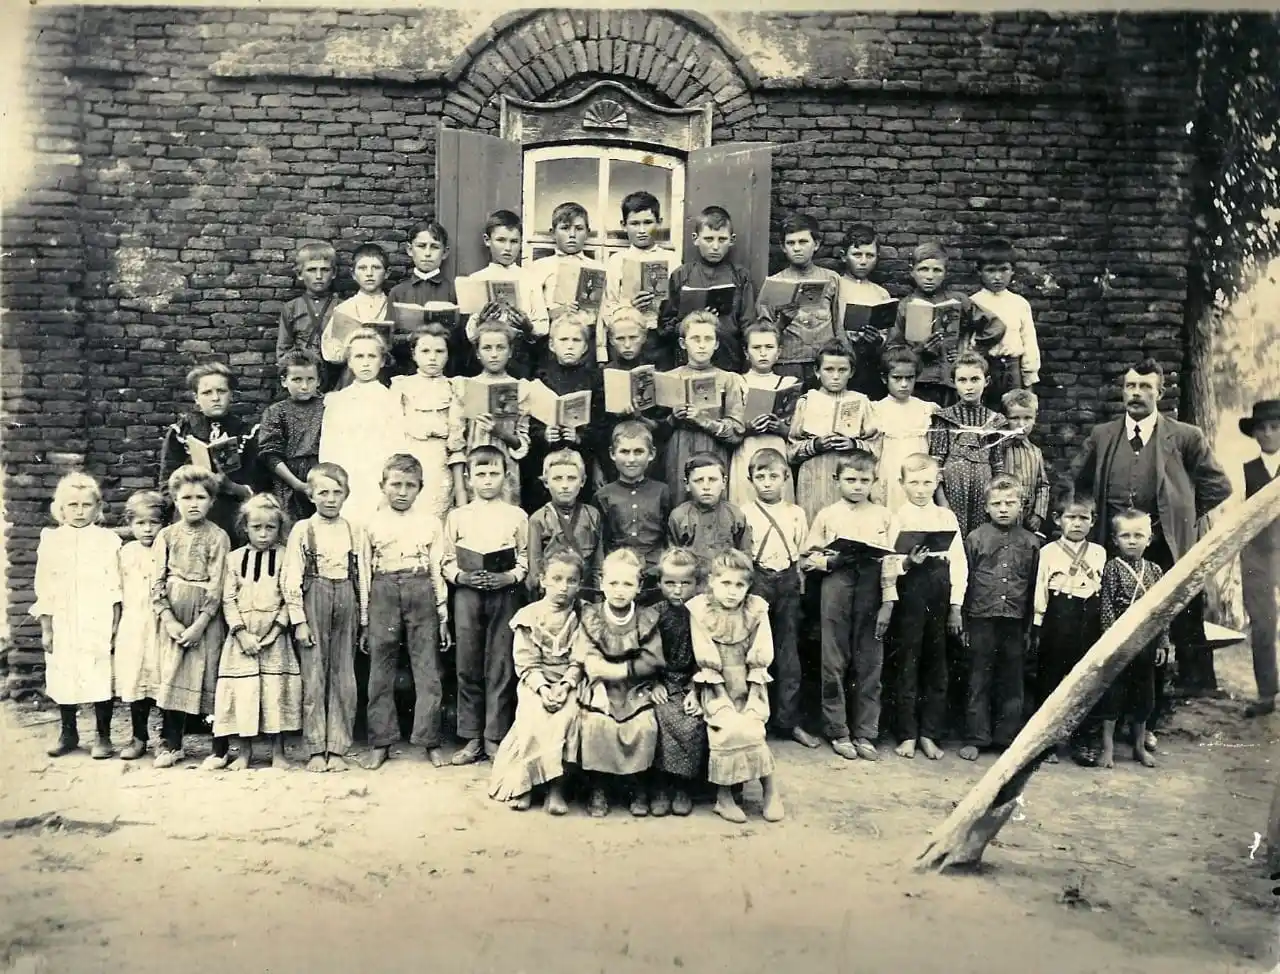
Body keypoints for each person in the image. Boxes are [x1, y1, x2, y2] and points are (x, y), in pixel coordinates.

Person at [1070, 358, 1232, 712]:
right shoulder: (1103, 435)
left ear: (1160, 392)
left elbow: (1218, 485)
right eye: (1131, 386)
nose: (1137, 393)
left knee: (1163, 621)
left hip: (1162, 547)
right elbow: (1077, 480)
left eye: (1145, 387)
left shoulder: (1186, 436)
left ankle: (1160, 703)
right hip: (1112, 544)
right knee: (1112, 618)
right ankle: (1110, 701)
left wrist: (1180, 516)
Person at [359, 454, 451, 771]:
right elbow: (364, 573)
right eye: (395, 484)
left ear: (420, 488)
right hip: (383, 589)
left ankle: (430, 740)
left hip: (420, 587)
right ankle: (381, 742)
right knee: (380, 669)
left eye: (410, 485)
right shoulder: (370, 524)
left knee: (427, 668)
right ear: (382, 486)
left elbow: (437, 569)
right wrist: (365, 620)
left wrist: (442, 614)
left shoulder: (430, 523)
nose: (402, 492)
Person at [801, 450, 894, 761]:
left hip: (872, 586)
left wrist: (888, 600)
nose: (857, 486)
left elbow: (892, 560)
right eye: (850, 479)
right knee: (833, 659)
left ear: (874, 482)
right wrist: (830, 561)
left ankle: (866, 731)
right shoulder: (828, 515)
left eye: (864, 480)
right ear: (836, 480)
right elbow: (808, 557)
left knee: (870, 661)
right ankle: (838, 729)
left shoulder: (883, 516)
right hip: (836, 584)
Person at [441, 445, 530, 766]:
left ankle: (494, 736)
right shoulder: (458, 516)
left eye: (494, 473)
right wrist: (461, 576)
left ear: (506, 476)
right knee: (468, 663)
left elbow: (525, 557)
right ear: (468, 478)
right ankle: (471, 737)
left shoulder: (516, 515)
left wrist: (510, 576)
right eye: (481, 474)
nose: (488, 480)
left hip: (504, 592)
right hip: (468, 593)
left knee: (500, 663)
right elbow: (446, 559)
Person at [281, 463, 370, 773]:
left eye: (336, 492)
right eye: (323, 493)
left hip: (346, 598)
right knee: (314, 676)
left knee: (344, 678)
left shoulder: (354, 530)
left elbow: (363, 576)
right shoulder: (303, 529)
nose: (330, 499)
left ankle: (338, 748)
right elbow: (291, 577)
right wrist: (299, 621)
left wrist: (364, 621)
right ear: (311, 495)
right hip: (314, 599)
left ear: (346, 494)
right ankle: (316, 748)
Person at [879, 454, 967, 760]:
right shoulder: (897, 518)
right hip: (910, 593)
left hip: (939, 591)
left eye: (927, 482)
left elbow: (959, 563)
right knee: (907, 661)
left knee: (937, 664)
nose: (920, 489)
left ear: (937, 482)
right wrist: (906, 562)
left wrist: (956, 606)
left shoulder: (946, 518)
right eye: (914, 483)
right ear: (902, 484)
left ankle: (930, 733)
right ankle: (907, 734)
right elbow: (888, 563)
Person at [688, 549, 785, 823]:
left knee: (753, 726)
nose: (732, 591)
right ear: (712, 582)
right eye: (726, 583)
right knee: (727, 729)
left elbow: (761, 654)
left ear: (748, 587)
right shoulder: (701, 610)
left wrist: (753, 698)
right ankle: (724, 797)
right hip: (715, 686)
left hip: (749, 684)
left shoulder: (755, 610)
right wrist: (723, 701)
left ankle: (770, 791)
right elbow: (705, 656)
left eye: (739, 585)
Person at [31, 472, 122, 759]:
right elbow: (44, 586)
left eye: (86, 505)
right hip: (64, 619)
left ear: (97, 507)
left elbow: (116, 586)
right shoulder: (51, 540)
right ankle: (68, 732)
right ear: (61, 507)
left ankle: (103, 736)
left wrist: (115, 624)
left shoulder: (108, 540)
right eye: (73, 505)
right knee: (64, 673)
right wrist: (47, 628)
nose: (80, 511)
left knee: (99, 673)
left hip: (97, 617)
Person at [208, 494, 302, 771]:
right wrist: (241, 634)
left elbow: (289, 597)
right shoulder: (234, 559)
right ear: (244, 528)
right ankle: (245, 752)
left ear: (279, 528)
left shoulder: (285, 557)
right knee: (244, 694)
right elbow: (228, 599)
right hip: (242, 638)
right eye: (256, 527)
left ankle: (278, 753)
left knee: (275, 693)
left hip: (275, 637)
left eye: (270, 528)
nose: (263, 534)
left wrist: (275, 631)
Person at [488, 549, 585, 815]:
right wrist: (543, 689)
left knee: (567, 718)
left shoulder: (582, 616)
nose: (563, 587)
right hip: (536, 682)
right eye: (556, 579)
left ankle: (556, 788)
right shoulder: (528, 616)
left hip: (569, 682)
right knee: (533, 717)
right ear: (543, 580)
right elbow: (526, 662)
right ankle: (525, 784)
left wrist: (565, 686)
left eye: (571, 581)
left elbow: (580, 659)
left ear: (579, 584)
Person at [572, 548, 665, 818]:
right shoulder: (592, 616)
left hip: (635, 685)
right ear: (602, 583)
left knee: (644, 725)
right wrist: (599, 679)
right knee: (596, 723)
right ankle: (599, 786)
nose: (620, 590)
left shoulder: (646, 618)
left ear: (639, 587)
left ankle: (638, 785)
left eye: (627, 584)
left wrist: (619, 670)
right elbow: (587, 655)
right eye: (613, 583)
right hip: (600, 685)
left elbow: (651, 659)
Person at [151, 466, 231, 769]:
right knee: (173, 674)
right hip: (174, 613)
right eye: (186, 497)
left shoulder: (218, 537)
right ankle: (172, 744)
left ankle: (219, 748)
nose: (193, 503)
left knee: (210, 675)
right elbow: (156, 581)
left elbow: (218, 584)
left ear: (212, 501)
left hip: (205, 619)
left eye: (201, 497)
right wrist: (168, 619)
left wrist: (200, 624)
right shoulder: (166, 536)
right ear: (175, 500)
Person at [958, 474, 1041, 762]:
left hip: (1015, 620)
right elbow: (965, 580)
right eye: (996, 504)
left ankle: (1007, 738)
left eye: (1010, 503)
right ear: (986, 507)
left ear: (1022, 506)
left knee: (1012, 679)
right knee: (979, 677)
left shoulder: (1031, 542)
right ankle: (976, 737)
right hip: (981, 618)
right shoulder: (975, 538)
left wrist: (1029, 628)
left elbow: (1034, 587)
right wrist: (965, 622)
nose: (1003, 509)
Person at [740, 448, 816, 748]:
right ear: (751, 480)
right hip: (757, 580)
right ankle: (754, 720)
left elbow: (803, 552)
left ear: (786, 477)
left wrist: (799, 585)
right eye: (760, 477)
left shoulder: (796, 513)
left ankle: (788, 721)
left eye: (774, 476)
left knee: (789, 653)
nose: (767, 482)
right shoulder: (744, 512)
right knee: (755, 651)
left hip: (787, 581)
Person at [1028, 488, 1105, 760]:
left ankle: (1084, 740)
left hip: (1089, 617)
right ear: (1057, 519)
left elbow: (1101, 588)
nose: (1077, 523)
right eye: (1071, 517)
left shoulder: (1098, 552)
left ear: (1093, 521)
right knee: (1050, 678)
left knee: (1086, 680)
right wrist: (1038, 624)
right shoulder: (1049, 552)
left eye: (1084, 518)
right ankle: (1044, 742)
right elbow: (1040, 589)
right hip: (1058, 616)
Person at [1095, 509, 1172, 770]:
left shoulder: (1155, 570)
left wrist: (1162, 641)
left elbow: (1162, 610)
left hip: (1146, 642)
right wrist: (1110, 642)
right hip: (1119, 643)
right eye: (1125, 536)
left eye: (1138, 536)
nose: (1131, 541)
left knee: (1144, 696)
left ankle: (1139, 747)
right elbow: (1106, 607)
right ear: (1115, 540)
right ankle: (1107, 748)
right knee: (1113, 695)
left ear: (1149, 539)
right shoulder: (1113, 568)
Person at [884, 241, 1003, 407]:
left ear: (945, 273)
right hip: (920, 382)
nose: (930, 276)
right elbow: (892, 348)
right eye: (923, 269)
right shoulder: (904, 306)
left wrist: (969, 353)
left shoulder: (959, 300)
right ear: (913, 272)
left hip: (952, 380)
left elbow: (995, 326)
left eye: (937, 270)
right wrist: (919, 351)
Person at [158, 361, 257, 543]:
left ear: (231, 395)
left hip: (231, 515)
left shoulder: (247, 432)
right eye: (207, 393)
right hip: (189, 514)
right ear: (196, 398)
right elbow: (166, 482)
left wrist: (230, 486)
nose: (215, 398)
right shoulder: (181, 431)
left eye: (221, 391)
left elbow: (258, 486)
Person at [318, 328, 404, 527]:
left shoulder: (390, 399)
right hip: (348, 476)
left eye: (372, 356)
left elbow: (398, 444)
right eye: (359, 356)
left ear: (382, 361)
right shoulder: (337, 401)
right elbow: (328, 447)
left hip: (378, 476)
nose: (365, 363)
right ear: (349, 361)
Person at [661, 310, 748, 508]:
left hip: (713, 448)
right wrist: (673, 418)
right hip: (679, 450)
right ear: (683, 343)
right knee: (679, 503)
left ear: (716, 344)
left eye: (708, 339)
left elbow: (737, 431)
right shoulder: (669, 378)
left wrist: (705, 421)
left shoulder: (728, 379)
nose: (702, 345)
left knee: (714, 503)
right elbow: (658, 431)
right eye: (695, 339)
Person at [788, 340, 877, 525]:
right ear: (817, 371)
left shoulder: (861, 402)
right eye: (829, 369)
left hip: (851, 476)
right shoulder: (806, 401)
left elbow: (876, 446)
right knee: (816, 524)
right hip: (814, 476)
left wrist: (854, 444)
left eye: (842, 370)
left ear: (851, 372)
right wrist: (815, 445)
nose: (835, 376)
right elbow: (791, 451)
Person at [660, 205, 757, 373]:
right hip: (688, 357)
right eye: (709, 239)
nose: (715, 246)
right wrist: (691, 320)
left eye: (722, 239)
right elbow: (666, 325)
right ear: (696, 239)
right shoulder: (681, 275)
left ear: (732, 240)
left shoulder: (740, 276)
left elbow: (748, 323)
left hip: (729, 356)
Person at [523, 311, 604, 510]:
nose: (570, 345)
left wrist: (579, 437)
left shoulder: (594, 379)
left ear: (585, 347)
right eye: (563, 340)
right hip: (545, 457)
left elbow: (601, 423)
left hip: (581, 458)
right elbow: (530, 423)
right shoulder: (541, 377)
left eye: (576, 340)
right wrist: (544, 434)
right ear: (552, 345)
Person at [650, 547, 708, 817]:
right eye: (670, 583)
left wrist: (696, 689)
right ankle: (661, 786)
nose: (677, 590)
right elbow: (645, 654)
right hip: (661, 681)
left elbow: (707, 657)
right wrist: (654, 683)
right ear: (659, 583)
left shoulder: (702, 614)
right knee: (660, 715)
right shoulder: (654, 614)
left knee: (692, 719)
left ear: (696, 583)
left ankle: (683, 786)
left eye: (685, 583)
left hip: (693, 681)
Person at [451, 315, 532, 506]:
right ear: (477, 353)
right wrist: (461, 491)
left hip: (506, 473)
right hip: (474, 471)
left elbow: (522, 441)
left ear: (510, 351)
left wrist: (501, 433)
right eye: (487, 348)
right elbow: (456, 441)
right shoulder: (464, 387)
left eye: (500, 347)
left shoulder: (521, 389)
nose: (494, 354)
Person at [458, 209, 548, 379]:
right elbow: (469, 333)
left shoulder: (530, 279)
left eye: (514, 241)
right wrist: (480, 322)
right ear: (487, 240)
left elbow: (543, 325)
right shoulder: (476, 279)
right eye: (501, 240)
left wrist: (527, 326)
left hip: (521, 356)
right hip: (485, 356)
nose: (508, 248)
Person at [928, 352, 1009, 539]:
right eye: (962, 380)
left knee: (981, 537)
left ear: (986, 381)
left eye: (975, 379)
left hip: (983, 486)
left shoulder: (995, 420)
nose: (969, 386)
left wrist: (997, 498)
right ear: (953, 383)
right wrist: (942, 500)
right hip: (953, 485)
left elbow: (997, 464)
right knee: (954, 534)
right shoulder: (945, 417)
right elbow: (936, 462)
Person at [389, 325, 466, 522]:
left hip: (441, 463)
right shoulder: (401, 386)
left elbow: (457, 438)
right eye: (425, 351)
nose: (432, 357)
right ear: (414, 354)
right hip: (408, 460)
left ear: (448, 355)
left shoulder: (454, 387)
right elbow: (393, 431)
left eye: (439, 351)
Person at [755, 213, 842, 384]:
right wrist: (782, 323)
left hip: (824, 363)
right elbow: (763, 334)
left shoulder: (832, 279)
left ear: (816, 244)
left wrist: (841, 356)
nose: (796, 248)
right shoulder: (774, 283)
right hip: (787, 363)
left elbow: (839, 325)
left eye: (803, 242)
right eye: (790, 243)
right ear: (783, 247)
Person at [115, 490, 167, 761]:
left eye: (154, 522)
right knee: (136, 679)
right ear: (130, 524)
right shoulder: (125, 553)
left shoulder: (168, 548)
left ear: (163, 523)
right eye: (140, 523)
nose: (147, 529)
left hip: (162, 625)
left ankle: (166, 739)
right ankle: (139, 737)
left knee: (163, 679)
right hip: (134, 624)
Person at [601, 190, 680, 368]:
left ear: (659, 222)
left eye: (648, 222)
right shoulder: (616, 261)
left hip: (660, 337)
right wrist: (629, 307)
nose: (642, 230)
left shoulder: (672, 259)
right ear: (623, 225)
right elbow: (608, 306)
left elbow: (679, 303)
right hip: (627, 337)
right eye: (635, 224)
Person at [596, 422, 672, 602]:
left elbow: (669, 535)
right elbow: (601, 540)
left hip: (655, 573)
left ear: (651, 454)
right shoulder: (604, 495)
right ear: (612, 454)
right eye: (624, 452)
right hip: (619, 573)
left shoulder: (662, 491)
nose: (631, 459)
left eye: (638, 452)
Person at [729, 321, 800, 508]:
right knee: (745, 499)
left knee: (779, 499)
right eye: (756, 347)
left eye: (769, 347)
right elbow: (729, 422)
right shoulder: (737, 381)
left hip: (777, 447)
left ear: (778, 352)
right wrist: (748, 427)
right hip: (747, 448)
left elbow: (796, 428)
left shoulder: (789, 382)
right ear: (746, 352)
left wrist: (782, 428)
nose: (763, 353)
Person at [1239, 399, 1280, 717]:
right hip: (1257, 555)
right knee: (1262, 624)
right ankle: (1267, 694)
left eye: (1275, 428)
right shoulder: (1246, 469)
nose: (1268, 434)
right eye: (1262, 428)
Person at [598, 308, 671, 482]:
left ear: (644, 337)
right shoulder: (603, 375)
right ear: (611, 340)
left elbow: (665, 426)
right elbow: (597, 428)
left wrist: (639, 417)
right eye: (620, 339)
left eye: (633, 337)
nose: (627, 345)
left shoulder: (656, 372)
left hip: (651, 455)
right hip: (613, 457)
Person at [968, 237, 1041, 409]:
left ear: (1012, 271)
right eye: (990, 270)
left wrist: (1029, 379)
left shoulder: (1019, 304)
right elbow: (967, 343)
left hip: (1012, 369)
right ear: (979, 272)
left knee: (1013, 412)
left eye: (1004, 270)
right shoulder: (973, 303)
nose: (997, 277)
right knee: (985, 413)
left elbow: (1029, 342)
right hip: (984, 368)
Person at [528, 202, 606, 354]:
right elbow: (532, 311)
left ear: (588, 232)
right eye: (565, 228)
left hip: (587, 340)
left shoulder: (598, 267)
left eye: (579, 229)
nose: (572, 235)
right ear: (553, 233)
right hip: (550, 339)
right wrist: (558, 311)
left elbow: (603, 312)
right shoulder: (540, 267)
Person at [387, 220, 463, 378]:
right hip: (407, 371)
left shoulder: (455, 291)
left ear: (445, 252)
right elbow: (388, 340)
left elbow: (463, 340)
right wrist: (409, 337)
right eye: (421, 246)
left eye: (434, 247)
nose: (427, 253)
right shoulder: (398, 292)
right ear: (410, 249)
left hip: (446, 372)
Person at [257, 349, 325, 522]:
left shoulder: (327, 406)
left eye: (310, 379)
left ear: (318, 381)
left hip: (323, 476)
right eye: (297, 379)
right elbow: (270, 455)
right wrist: (297, 484)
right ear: (284, 381)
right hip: (289, 480)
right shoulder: (276, 412)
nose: (304, 386)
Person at [869, 346, 937, 514]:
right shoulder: (876, 409)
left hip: (920, 479)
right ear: (884, 378)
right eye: (897, 378)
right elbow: (873, 452)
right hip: (889, 477)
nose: (904, 384)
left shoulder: (927, 409)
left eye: (909, 378)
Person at [527, 450, 604, 598]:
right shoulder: (539, 519)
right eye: (557, 479)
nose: (564, 485)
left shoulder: (592, 515)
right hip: (554, 594)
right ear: (546, 482)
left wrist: (598, 596)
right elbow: (535, 571)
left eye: (571, 478)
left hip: (585, 592)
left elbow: (598, 563)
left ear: (582, 481)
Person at [834, 223, 894, 399]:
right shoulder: (835, 285)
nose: (863, 261)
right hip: (840, 358)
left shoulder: (881, 293)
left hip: (870, 363)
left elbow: (886, 335)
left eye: (870, 256)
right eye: (857, 255)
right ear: (844, 256)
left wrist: (877, 339)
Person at [667, 453, 752, 573]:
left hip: (726, 577)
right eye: (698, 480)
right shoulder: (679, 516)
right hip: (693, 578)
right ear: (687, 484)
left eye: (712, 480)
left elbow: (744, 555)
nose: (706, 486)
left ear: (724, 482)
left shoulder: (735, 515)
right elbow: (674, 556)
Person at [276, 239, 340, 390]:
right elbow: (283, 349)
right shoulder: (291, 308)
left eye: (325, 270)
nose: (319, 276)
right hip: (303, 378)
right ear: (300, 274)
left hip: (335, 377)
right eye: (311, 270)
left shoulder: (342, 306)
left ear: (334, 273)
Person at [328, 243, 393, 388]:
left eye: (376, 268)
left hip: (387, 375)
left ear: (387, 273)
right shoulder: (344, 309)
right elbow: (331, 350)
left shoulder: (393, 307)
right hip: (352, 377)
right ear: (353, 274)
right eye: (362, 268)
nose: (369, 273)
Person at [1000, 389, 1050, 536]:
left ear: (1035, 418)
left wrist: (1038, 514)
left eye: (1028, 418)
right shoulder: (998, 450)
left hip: (1026, 523)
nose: (1021, 424)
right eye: (1015, 418)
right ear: (1005, 418)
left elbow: (1043, 485)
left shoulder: (1035, 452)